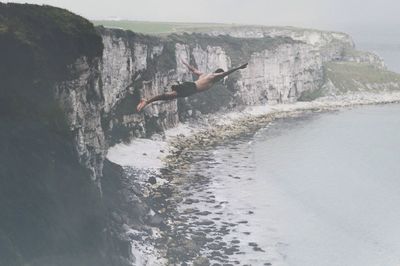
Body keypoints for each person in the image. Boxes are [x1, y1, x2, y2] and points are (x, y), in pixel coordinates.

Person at [136, 60, 248, 112]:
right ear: (218, 74)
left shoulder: (205, 75)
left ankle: (146, 101)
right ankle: (146, 101)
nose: (221, 78)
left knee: (168, 96)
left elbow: (193, 70)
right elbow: (224, 73)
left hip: (190, 87)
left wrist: (185, 63)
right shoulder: (213, 77)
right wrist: (238, 68)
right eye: (220, 77)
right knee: (167, 96)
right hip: (191, 88)